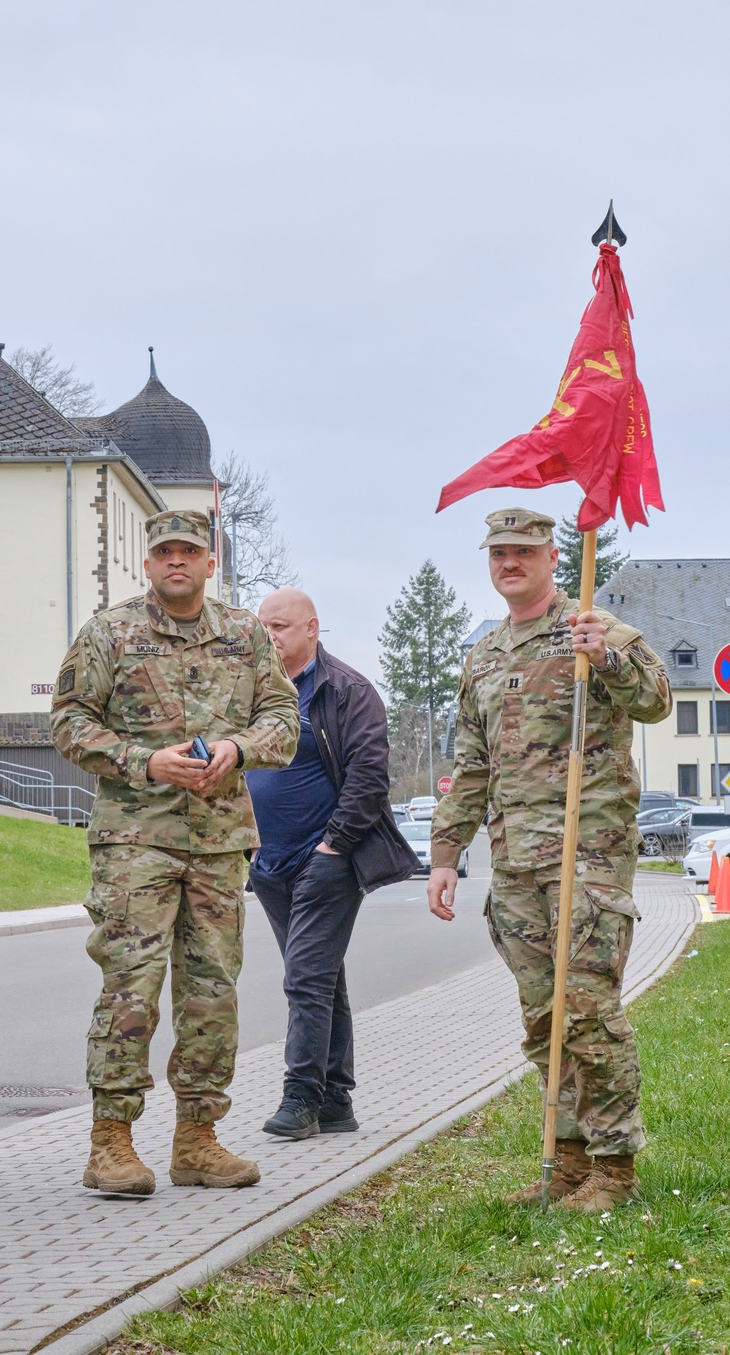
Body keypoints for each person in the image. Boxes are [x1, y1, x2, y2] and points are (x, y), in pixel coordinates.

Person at [428, 509, 671, 1211]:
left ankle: (614, 1167)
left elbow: (655, 701)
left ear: (552, 555)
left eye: (523, 552)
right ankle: (565, 1161)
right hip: (516, 868)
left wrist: (611, 658)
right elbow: (471, 766)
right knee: (544, 1017)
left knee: (589, 1011)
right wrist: (446, 854)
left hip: (585, 860)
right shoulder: (484, 655)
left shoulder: (595, 632)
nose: (510, 563)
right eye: (499, 553)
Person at [52, 510, 299, 1197]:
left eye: (190, 550)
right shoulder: (110, 632)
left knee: (212, 993)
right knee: (131, 985)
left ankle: (197, 1137)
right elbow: (70, 723)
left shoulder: (247, 635)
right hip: (137, 839)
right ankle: (111, 1140)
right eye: (166, 553)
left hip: (219, 842)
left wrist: (238, 748)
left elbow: (284, 720)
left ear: (210, 561)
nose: (178, 562)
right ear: (148, 563)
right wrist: (144, 761)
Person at [247, 589, 417, 1140]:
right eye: (263, 626)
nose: (269, 636)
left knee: (305, 977)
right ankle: (337, 1100)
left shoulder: (347, 690)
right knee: (323, 979)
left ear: (311, 628)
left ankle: (300, 1098)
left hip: (325, 861)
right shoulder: (249, 692)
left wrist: (333, 847)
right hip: (266, 863)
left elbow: (369, 777)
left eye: (279, 626)